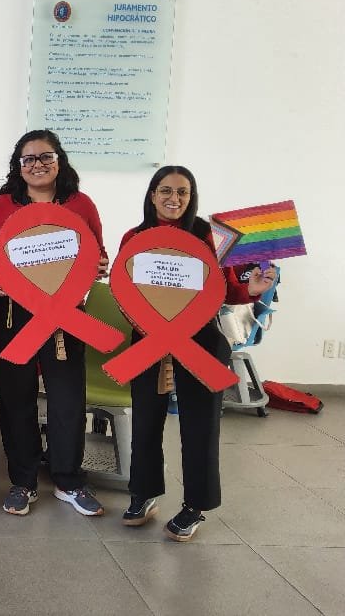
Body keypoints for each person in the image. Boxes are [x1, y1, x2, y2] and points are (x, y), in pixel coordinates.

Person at [119, 165, 276, 541]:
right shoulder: (135, 237)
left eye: (182, 192)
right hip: (149, 339)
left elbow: (229, 290)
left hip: (201, 339)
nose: (174, 198)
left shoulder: (209, 236)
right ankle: (144, 494)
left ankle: (195, 506)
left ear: (191, 198)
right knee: (145, 422)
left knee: (200, 426)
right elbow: (124, 289)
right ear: (153, 195)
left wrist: (252, 289)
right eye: (166, 190)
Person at [0, 129, 107, 518]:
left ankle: (69, 480)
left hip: (65, 315)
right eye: (29, 159)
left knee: (67, 398)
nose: (37, 165)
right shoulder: (1, 207)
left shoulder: (80, 204)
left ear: (59, 161)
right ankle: (23, 480)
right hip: (12, 315)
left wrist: (99, 264)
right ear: (18, 166)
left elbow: (96, 251)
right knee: (16, 398)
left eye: (45, 157)